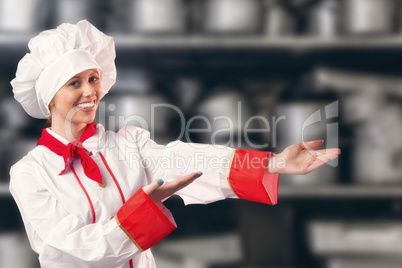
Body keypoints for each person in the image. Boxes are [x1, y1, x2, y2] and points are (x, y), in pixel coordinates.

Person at [9, 20, 340, 268]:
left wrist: (273, 163)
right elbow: (68, 250)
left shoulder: (127, 144)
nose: (90, 92)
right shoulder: (30, 173)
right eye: (74, 83)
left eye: (93, 79)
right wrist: (140, 214)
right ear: (49, 97)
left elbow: (190, 159)